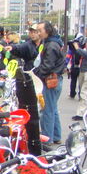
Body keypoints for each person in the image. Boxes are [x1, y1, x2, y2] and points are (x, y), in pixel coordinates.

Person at [34, 21, 65, 149]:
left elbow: (47, 66)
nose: (38, 33)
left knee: (47, 110)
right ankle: (56, 136)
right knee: (52, 109)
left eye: (40, 30)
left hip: (50, 80)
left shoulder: (51, 45)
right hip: (56, 79)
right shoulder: (54, 42)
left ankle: (47, 138)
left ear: (47, 31)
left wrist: (35, 74)